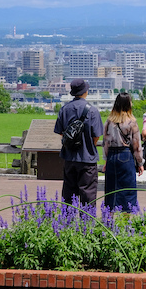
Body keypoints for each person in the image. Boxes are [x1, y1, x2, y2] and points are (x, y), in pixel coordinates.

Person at [54, 78, 104, 206]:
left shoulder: (64, 109)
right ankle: (87, 222)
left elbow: (60, 132)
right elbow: (96, 136)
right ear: (85, 91)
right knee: (88, 194)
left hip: (69, 157)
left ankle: (67, 222)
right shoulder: (92, 111)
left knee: (69, 194)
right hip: (87, 158)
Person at [102, 92, 144, 212]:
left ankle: (109, 216)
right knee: (128, 188)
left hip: (112, 155)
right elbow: (136, 145)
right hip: (125, 155)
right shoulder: (131, 121)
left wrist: (106, 159)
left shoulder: (109, 121)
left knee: (111, 188)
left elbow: (105, 142)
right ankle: (126, 217)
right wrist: (140, 163)